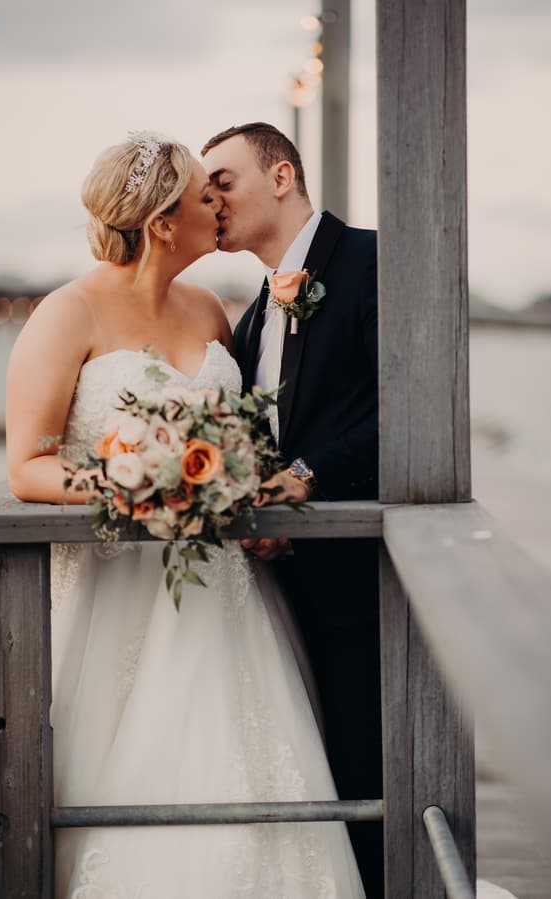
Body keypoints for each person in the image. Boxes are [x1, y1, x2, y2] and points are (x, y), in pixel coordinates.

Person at [6, 132, 366, 897]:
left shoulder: (210, 310)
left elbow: (248, 436)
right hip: (119, 592)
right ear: (166, 222)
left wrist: (242, 480)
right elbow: (29, 466)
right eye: (208, 194)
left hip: (228, 594)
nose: (220, 206)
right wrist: (146, 486)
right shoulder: (65, 314)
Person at [202, 123, 382, 898]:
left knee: (369, 795)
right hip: (283, 600)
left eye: (224, 180)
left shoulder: (374, 259)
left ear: (281, 177)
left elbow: (411, 407)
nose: (210, 199)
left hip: (363, 594)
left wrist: (309, 475)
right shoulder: (246, 321)